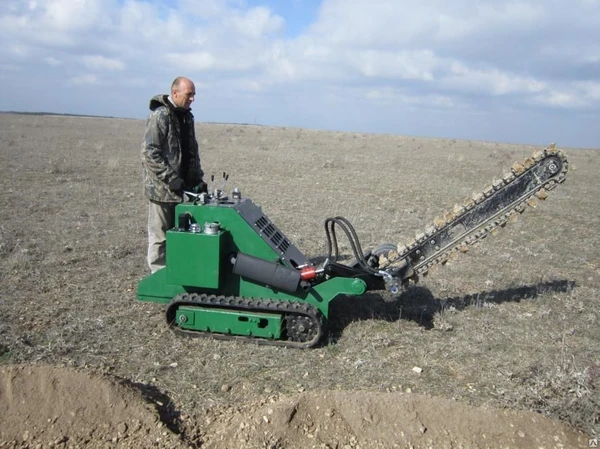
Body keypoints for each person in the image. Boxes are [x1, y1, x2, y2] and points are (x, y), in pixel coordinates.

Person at [141, 76, 206, 273]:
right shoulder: (160, 116)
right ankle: (158, 279)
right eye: (189, 94)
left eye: (194, 95)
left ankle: (178, 274)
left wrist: (198, 179)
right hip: (162, 190)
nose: (192, 99)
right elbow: (149, 152)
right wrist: (172, 179)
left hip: (183, 189)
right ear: (175, 93)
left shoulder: (187, 117)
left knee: (181, 235)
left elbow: (191, 151)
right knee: (160, 237)